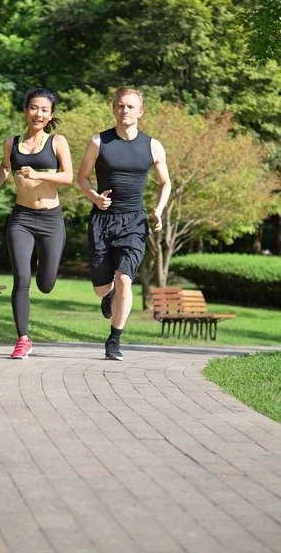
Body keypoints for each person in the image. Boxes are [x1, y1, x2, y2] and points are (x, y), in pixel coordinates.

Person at [77, 87, 171, 361]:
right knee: (101, 288)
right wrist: (94, 196)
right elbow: (82, 177)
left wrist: (159, 210)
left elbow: (165, 182)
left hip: (134, 221)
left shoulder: (152, 146)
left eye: (130, 106)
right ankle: (109, 296)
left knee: (125, 279)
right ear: (113, 109)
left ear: (140, 111)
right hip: (102, 220)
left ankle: (114, 340)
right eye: (120, 106)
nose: (124, 110)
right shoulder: (99, 141)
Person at [0, 88, 73, 359]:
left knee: (45, 284)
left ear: (50, 115)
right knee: (21, 278)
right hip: (21, 218)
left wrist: (38, 174)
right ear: (26, 110)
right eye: (34, 108)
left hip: (51, 219)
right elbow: (4, 166)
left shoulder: (57, 142)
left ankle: (45, 272)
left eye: (44, 110)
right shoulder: (11, 142)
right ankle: (23, 338)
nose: (39, 113)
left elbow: (68, 177)